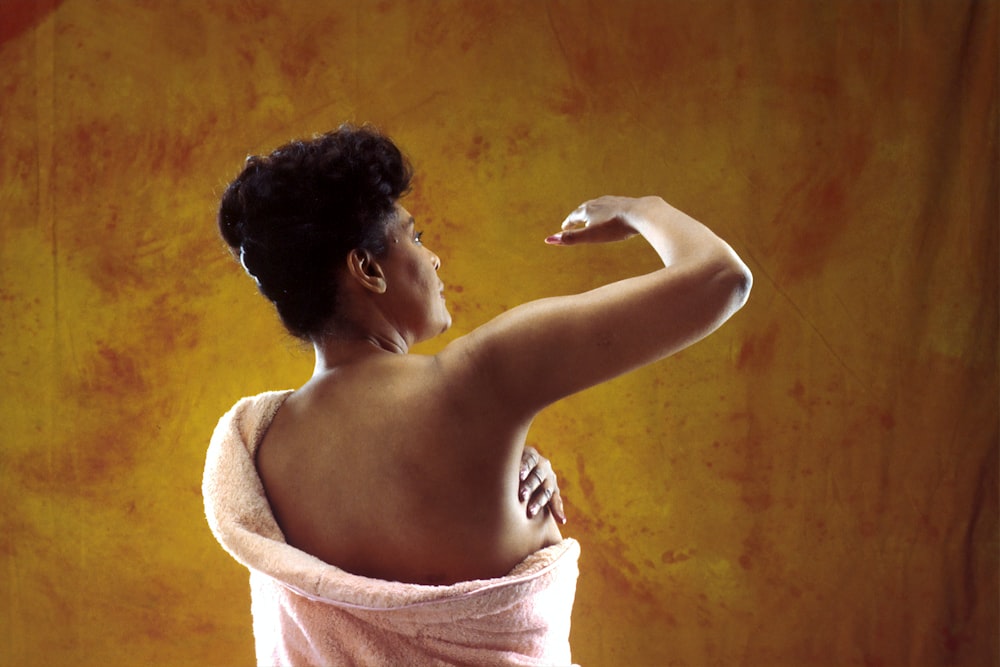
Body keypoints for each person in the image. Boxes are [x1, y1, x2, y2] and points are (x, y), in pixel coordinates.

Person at [203, 124, 751, 666]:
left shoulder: (258, 448)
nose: (433, 257)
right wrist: (639, 207)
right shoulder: (479, 381)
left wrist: (503, 456)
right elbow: (721, 278)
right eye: (415, 238)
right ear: (367, 269)